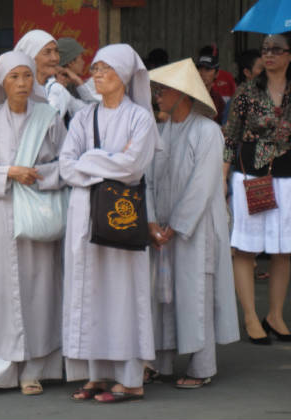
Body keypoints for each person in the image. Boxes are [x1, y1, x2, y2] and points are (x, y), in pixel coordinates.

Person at [59, 44, 160, 403]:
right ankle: (98, 373)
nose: (96, 75)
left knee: (123, 295)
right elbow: (65, 166)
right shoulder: (86, 117)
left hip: (121, 216)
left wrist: (90, 160)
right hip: (85, 214)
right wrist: (106, 160)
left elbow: (132, 168)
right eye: (96, 68)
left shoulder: (141, 119)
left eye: (105, 69)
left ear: (124, 76)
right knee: (90, 291)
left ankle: (131, 378)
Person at [0, 51, 67, 399]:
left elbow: (64, 162)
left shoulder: (49, 117)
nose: (23, 83)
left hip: (37, 213)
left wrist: (36, 175)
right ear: (1, 83)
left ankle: (34, 368)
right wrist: (10, 172)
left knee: (39, 289)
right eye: (14, 77)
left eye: (27, 76)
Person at [146, 58, 240, 388]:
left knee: (195, 293)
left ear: (182, 94)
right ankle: (162, 362)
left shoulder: (208, 132)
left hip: (195, 230)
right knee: (165, 295)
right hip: (163, 231)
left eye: (163, 91)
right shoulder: (161, 131)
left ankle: (202, 367)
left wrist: (176, 225)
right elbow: (149, 181)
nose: (157, 96)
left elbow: (202, 185)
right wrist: (152, 222)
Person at [223, 33, 291, 344]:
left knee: (284, 249)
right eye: (266, 49)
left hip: (287, 178)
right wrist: (222, 180)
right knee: (247, 247)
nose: (270, 54)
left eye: (277, 49)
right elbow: (230, 136)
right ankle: (251, 316)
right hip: (254, 178)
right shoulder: (248, 92)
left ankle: (275, 315)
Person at [14, 30, 95, 120]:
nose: (55, 58)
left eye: (56, 51)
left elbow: (92, 114)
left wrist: (78, 82)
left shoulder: (57, 90)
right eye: (47, 52)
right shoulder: (12, 90)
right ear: (30, 56)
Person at [196, 46, 225, 124]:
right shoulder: (187, 97)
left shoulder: (218, 100)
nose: (202, 73)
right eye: (199, 68)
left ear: (217, 73)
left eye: (207, 69)